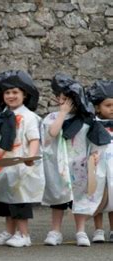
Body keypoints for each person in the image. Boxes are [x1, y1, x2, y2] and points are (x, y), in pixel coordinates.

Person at [42, 73, 110, 247]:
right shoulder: (51, 118)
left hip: (79, 165)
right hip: (58, 165)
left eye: (70, 100)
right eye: (63, 99)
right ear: (57, 99)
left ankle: (80, 231)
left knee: (80, 199)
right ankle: (55, 231)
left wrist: (94, 156)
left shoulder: (86, 120)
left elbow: (96, 142)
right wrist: (63, 113)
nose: (66, 103)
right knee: (58, 200)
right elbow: (53, 133)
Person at [0, 70, 44, 247]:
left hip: (20, 162)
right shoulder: (0, 117)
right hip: (3, 163)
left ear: (24, 95)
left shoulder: (29, 117)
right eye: (7, 92)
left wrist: (31, 157)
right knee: (4, 199)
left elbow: (34, 138)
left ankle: (24, 234)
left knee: (20, 200)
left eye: (15, 92)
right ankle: (9, 231)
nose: (11, 96)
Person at [88, 80, 113, 242]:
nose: (112, 109)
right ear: (97, 107)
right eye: (108, 105)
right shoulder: (92, 124)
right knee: (97, 196)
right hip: (98, 165)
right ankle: (98, 230)